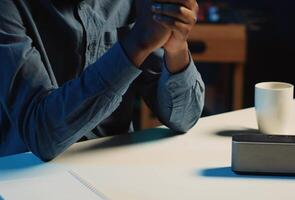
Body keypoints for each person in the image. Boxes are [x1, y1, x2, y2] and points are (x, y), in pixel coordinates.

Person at [0, 0, 205, 161]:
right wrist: (137, 44)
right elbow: (40, 134)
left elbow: (184, 118)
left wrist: (176, 46)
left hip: (113, 170)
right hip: (26, 176)